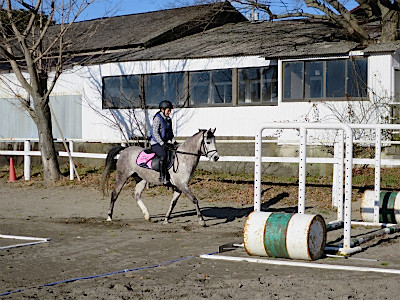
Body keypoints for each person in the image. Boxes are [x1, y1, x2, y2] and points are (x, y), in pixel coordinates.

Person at [150, 100, 177, 185]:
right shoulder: (158, 118)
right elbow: (155, 133)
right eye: (168, 110)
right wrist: (162, 143)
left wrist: (174, 142)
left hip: (164, 143)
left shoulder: (169, 119)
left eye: (170, 110)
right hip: (156, 143)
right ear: (162, 109)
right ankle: (162, 176)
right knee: (163, 155)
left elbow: (170, 133)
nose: (169, 112)